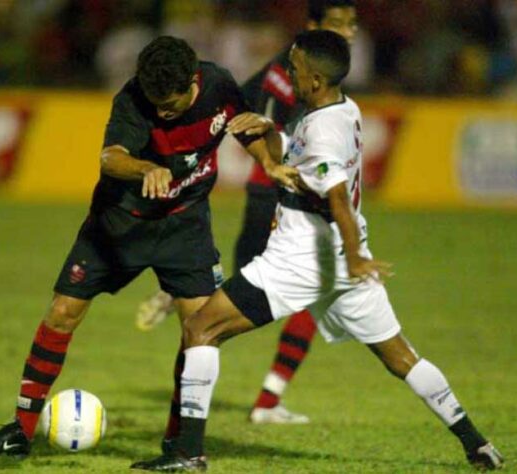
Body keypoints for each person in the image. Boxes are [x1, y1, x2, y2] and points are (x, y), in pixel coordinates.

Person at [131, 30, 504, 472]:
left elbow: (337, 195)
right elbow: (307, 160)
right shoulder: (341, 110)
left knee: (200, 329)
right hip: (342, 262)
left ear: (314, 81)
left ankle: (188, 452)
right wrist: (272, 131)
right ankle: (476, 444)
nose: (289, 74)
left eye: (296, 69)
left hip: (303, 257)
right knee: (402, 357)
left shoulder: (324, 128)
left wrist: (353, 251)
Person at [0, 35, 299, 459]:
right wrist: (146, 167)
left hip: (185, 226)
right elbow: (110, 157)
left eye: (171, 104)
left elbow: (244, 126)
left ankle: (178, 444)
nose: (162, 112)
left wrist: (269, 161)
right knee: (62, 312)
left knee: (199, 331)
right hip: (119, 224)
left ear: (194, 83)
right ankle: (21, 427)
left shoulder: (219, 83)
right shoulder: (132, 99)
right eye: (155, 102)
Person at [135, 0, 359, 425]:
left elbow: (240, 102)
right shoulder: (304, 75)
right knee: (312, 294)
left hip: (269, 192)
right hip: (284, 196)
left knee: (250, 286)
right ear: (312, 26)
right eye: (338, 24)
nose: (348, 32)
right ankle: (266, 400)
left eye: (352, 24)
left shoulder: (285, 66)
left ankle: (189, 286)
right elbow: (257, 118)